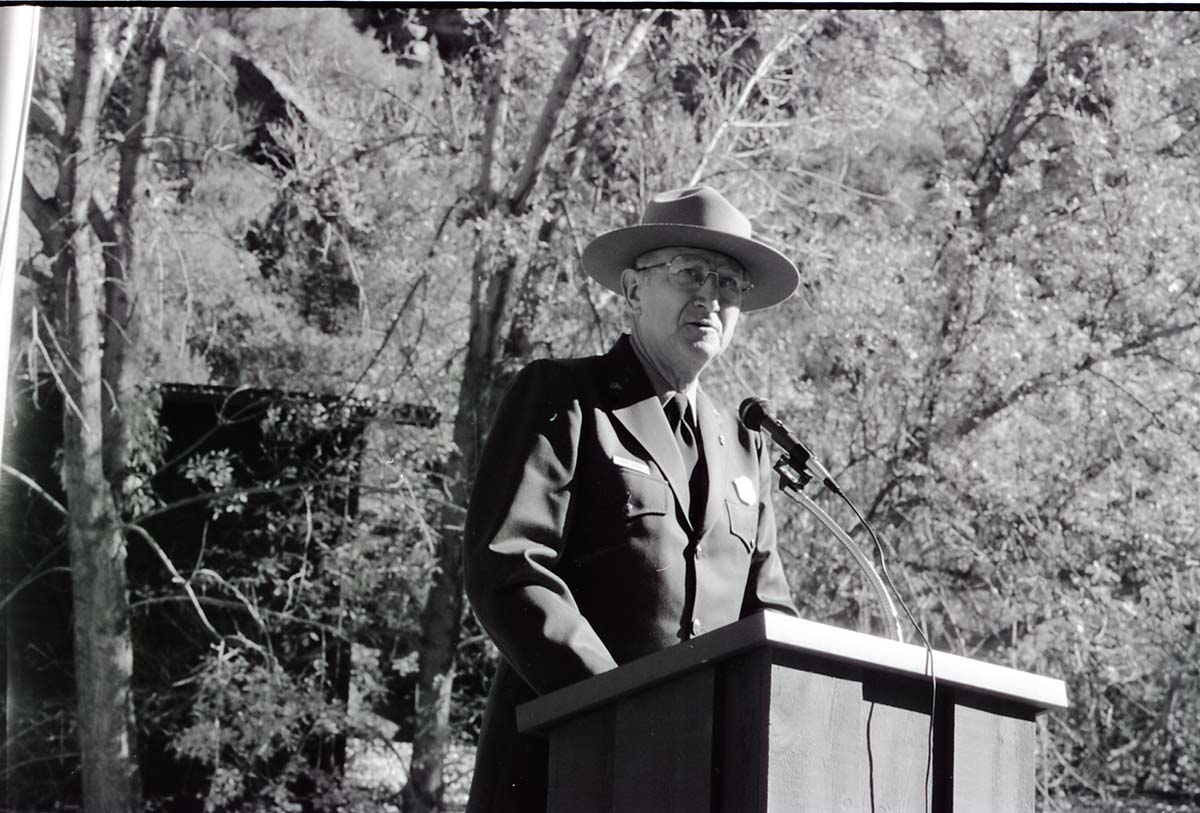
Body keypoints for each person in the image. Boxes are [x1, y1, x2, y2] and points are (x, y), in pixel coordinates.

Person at [462, 185, 801, 812]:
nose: (710, 296)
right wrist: (623, 707)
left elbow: (768, 620)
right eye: (689, 273)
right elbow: (509, 568)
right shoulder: (567, 398)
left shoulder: (746, 448)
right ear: (634, 288)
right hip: (569, 767)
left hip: (702, 782)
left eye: (729, 283)